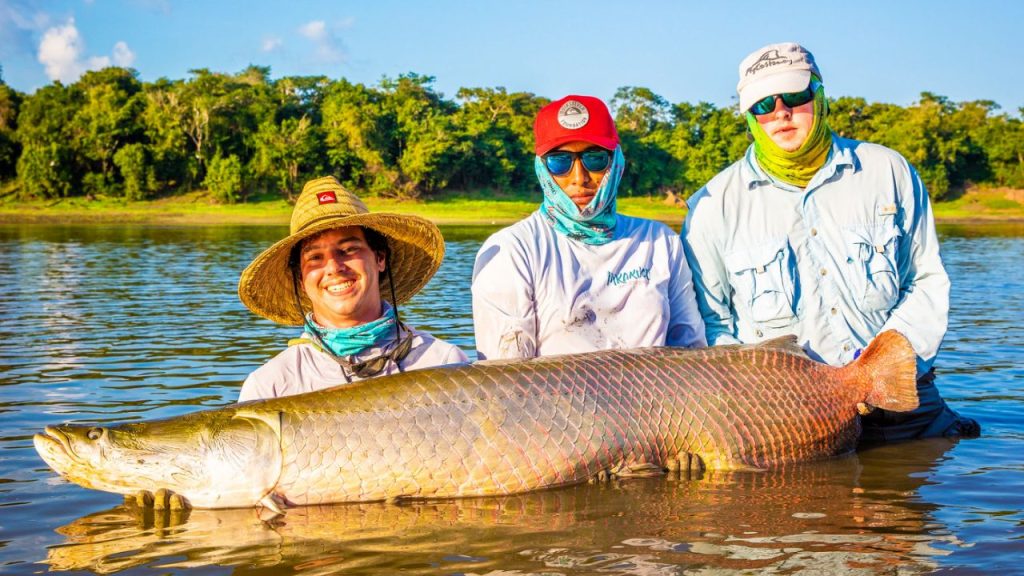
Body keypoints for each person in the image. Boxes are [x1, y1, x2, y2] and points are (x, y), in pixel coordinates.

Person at [682, 42, 979, 443]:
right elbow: (714, 323)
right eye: (763, 105)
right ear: (749, 116)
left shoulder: (887, 170)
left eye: (794, 96)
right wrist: (763, 392)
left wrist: (882, 367)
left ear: (819, 97)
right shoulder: (711, 205)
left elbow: (925, 279)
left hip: (900, 401)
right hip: (784, 412)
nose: (781, 113)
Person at [471, 95, 706, 360]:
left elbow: (691, 351)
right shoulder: (512, 251)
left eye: (595, 159)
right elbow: (505, 375)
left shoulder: (660, 241)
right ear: (541, 167)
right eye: (560, 162)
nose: (579, 177)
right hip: (554, 401)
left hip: (655, 399)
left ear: (615, 160)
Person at [237, 176, 468, 401]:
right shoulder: (270, 387)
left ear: (380, 258)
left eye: (348, 250)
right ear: (301, 279)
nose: (334, 268)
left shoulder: (443, 363)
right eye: (315, 257)